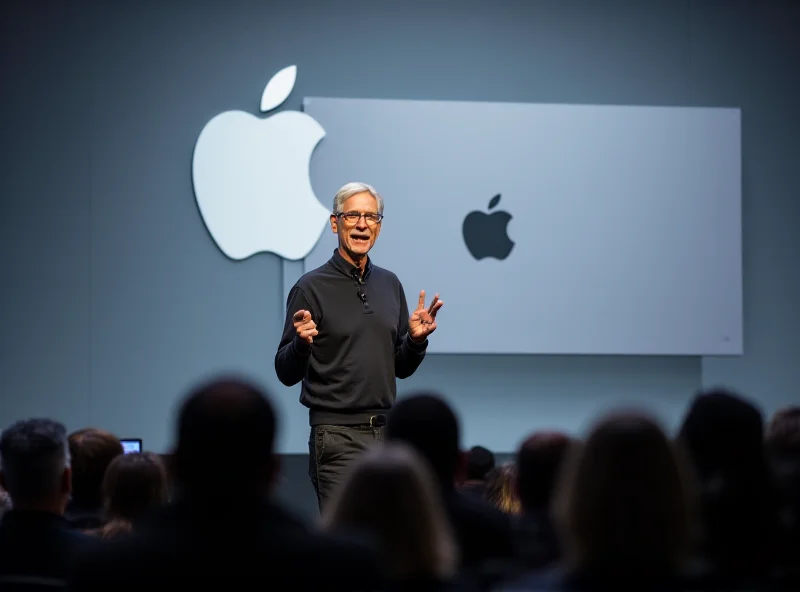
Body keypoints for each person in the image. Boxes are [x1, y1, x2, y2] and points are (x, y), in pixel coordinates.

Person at [275, 181, 444, 512]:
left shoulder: (390, 284)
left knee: (389, 540)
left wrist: (415, 341)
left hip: (386, 435)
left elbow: (400, 368)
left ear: (379, 227)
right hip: (335, 436)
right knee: (348, 537)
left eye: (371, 217)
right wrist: (300, 345)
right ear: (335, 223)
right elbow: (284, 371)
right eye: (353, 215)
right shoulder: (310, 287)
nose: (362, 224)